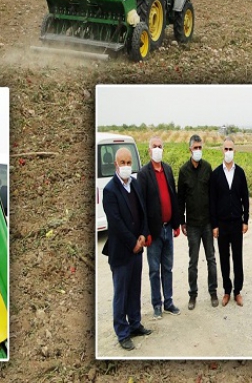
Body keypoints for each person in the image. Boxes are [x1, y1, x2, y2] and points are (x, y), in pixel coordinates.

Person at [101, 147, 152, 351]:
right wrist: (133, 242)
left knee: (134, 289)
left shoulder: (136, 183)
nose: (125, 166)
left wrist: (143, 234)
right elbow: (116, 223)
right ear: (115, 164)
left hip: (137, 249)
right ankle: (122, 333)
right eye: (122, 162)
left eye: (128, 162)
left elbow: (143, 212)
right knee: (121, 293)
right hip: (122, 251)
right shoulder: (110, 190)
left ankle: (135, 324)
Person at [138, 136, 182, 320]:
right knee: (154, 269)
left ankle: (169, 302)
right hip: (154, 232)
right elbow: (142, 206)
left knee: (168, 267)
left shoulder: (168, 170)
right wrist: (145, 232)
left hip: (168, 228)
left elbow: (174, 197)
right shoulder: (143, 174)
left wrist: (176, 223)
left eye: (160, 146)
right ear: (149, 151)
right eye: (154, 146)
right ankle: (157, 304)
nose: (157, 149)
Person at [178, 134, 218, 310]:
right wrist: (182, 221)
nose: (198, 151)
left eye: (200, 147)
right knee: (193, 262)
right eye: (195, 148)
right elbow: (180, 200)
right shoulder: (183, 171)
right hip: (193, 225)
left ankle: (213, 292)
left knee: (211, 259)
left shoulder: (208, 168)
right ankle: (192, 295)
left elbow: (213, 195)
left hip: (207, 223)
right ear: (190, 150)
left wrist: (215, 222)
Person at [209, 137, 249, 307]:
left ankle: (237, 291)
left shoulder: (240, 173)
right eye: (226, 149)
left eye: (231, 149)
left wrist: (245, 219)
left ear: (234, 151)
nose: (228, 152)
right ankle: (226, 290)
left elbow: (245, 198)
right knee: (224, 258)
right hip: (222, 224)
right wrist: (214, 225)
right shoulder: (216, 174)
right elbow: (212, 201)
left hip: (236, 223)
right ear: (222, 151)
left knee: (237, 258)